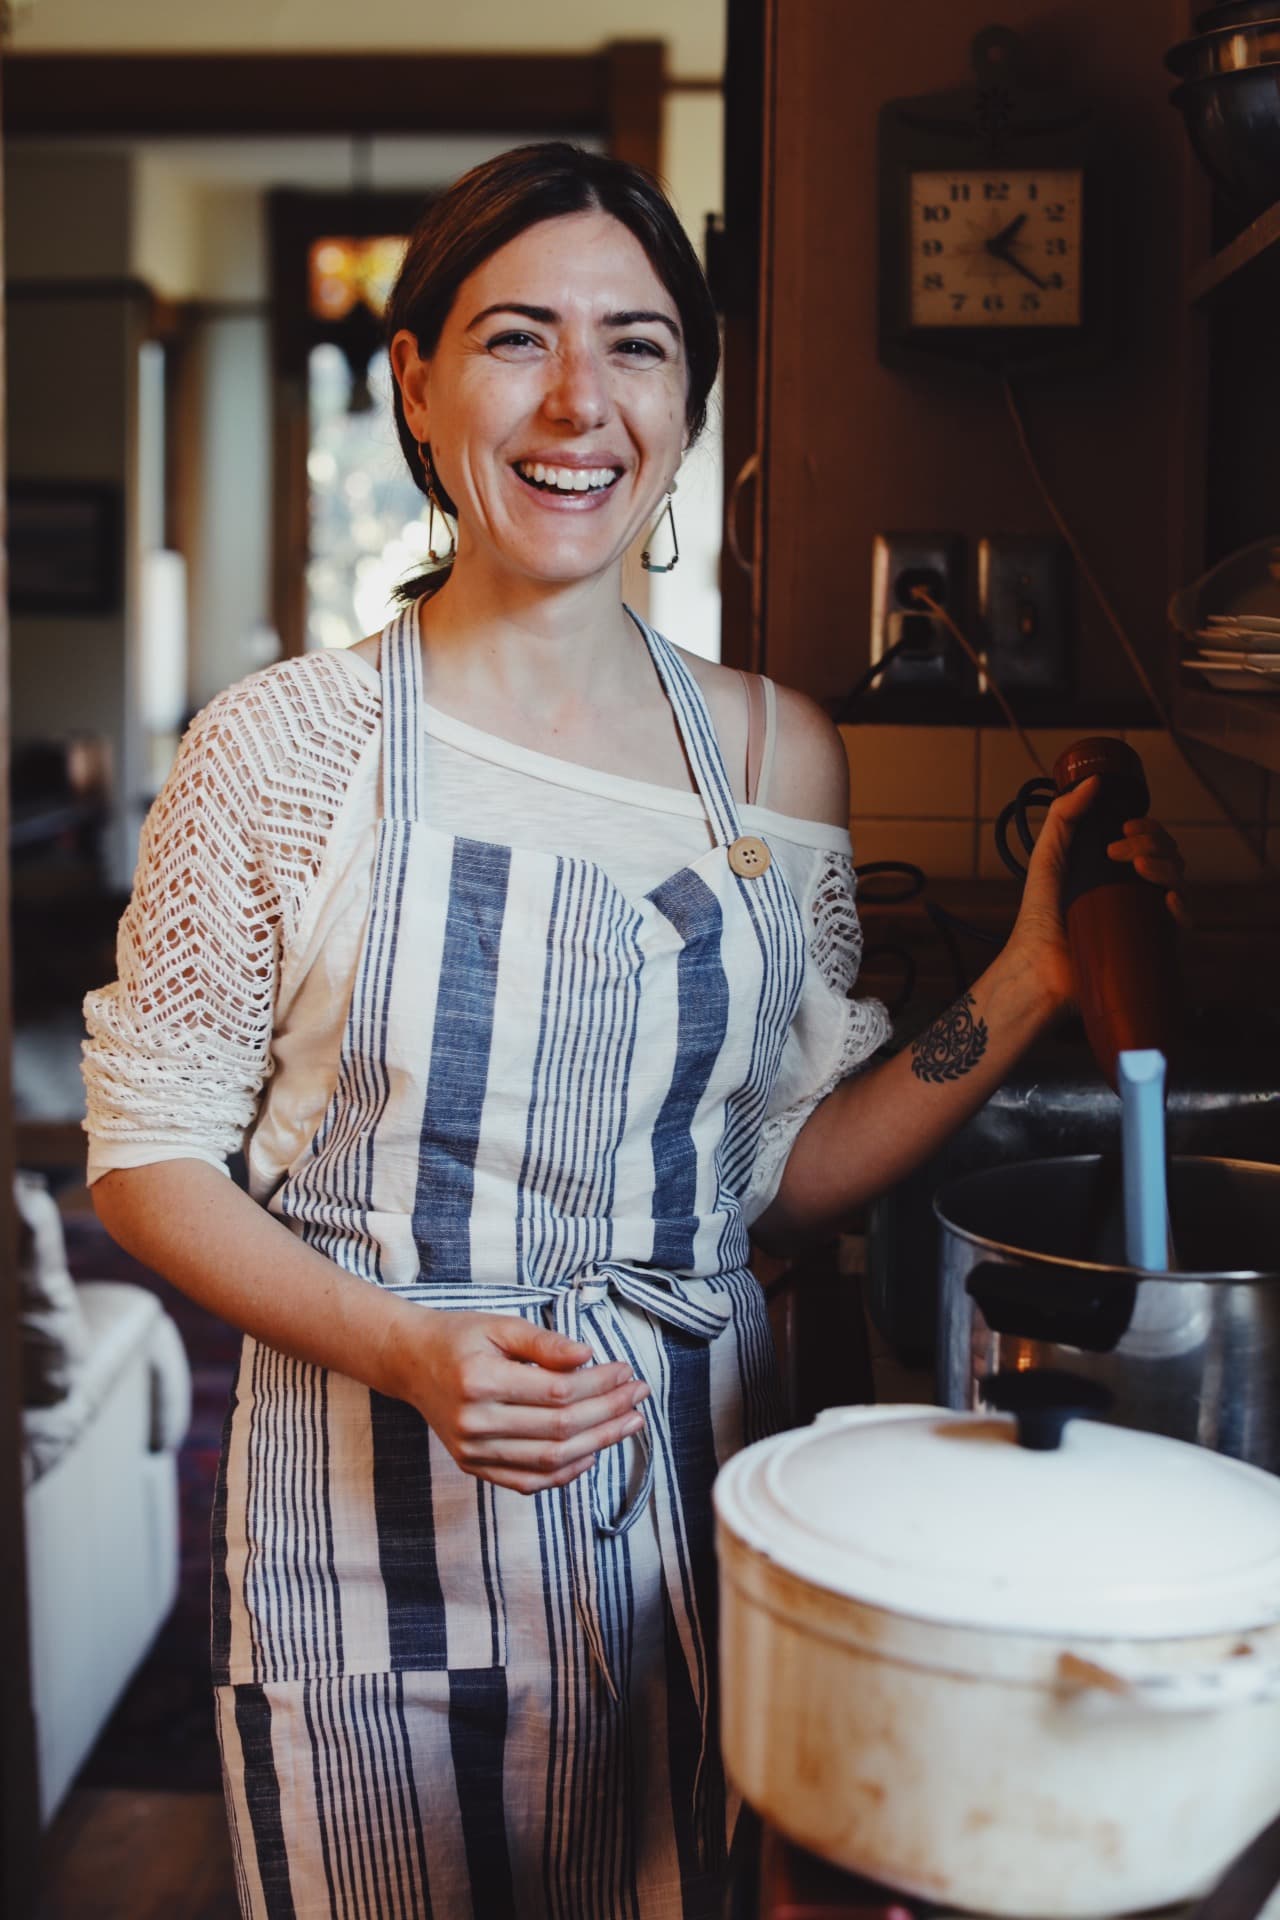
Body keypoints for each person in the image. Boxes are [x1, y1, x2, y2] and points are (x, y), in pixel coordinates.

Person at [83, 143, 1183, 1920]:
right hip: (372, 1528)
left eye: (640, 345)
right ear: (418, 385)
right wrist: (413, 1352)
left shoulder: (771, 754)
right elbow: (140, 1160)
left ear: (690, 402)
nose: (579, 402)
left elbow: (779, 1179)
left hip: (697, 1500)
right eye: (518, 338)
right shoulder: (283, 750)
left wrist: (1036, 975)